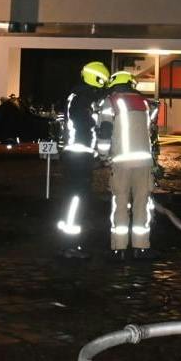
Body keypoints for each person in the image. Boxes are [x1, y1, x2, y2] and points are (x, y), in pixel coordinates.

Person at [96, 71, 159, 262]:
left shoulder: (110, 102)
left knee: (120, 203)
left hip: (121, 161)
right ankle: (141, 247)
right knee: (142, 204)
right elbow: (151, 133)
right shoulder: (145, 103)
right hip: (144, 162)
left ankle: (119, 248)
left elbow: (105, 131)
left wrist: (103, 155)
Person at [55, 60, 110, 255]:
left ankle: (69, 242)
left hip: (76, 155)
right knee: (76, 199)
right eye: (102, 82)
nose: (103, 87)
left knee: (74, 198)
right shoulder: (83, 99)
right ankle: (70, 245)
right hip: (79, 155)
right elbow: (86, 126)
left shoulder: (78, 96)